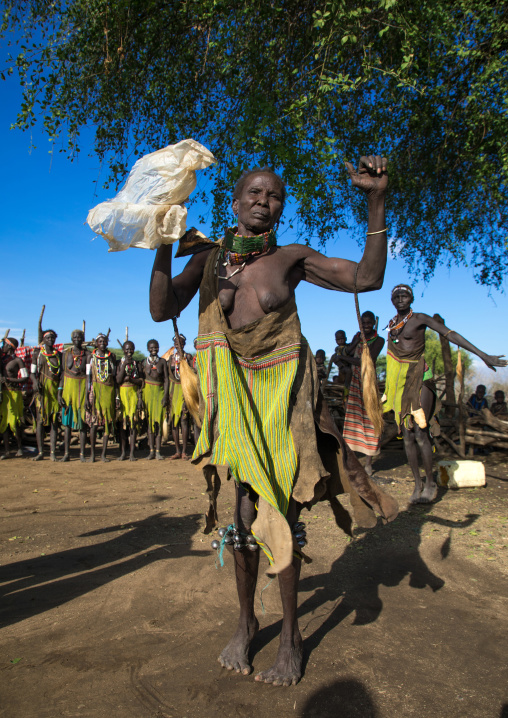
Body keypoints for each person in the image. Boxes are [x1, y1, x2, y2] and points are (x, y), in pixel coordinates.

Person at [150, 155, 398, 687]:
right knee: (241, 514)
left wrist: (375, 199)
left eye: (275, 196)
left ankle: (290, 638)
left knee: (279, 510)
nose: (265, 201)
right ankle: (245, 621)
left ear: (281, 207)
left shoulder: (291, 258)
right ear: (235, 203)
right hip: (232, 406)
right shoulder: (211, 259)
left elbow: (368, 278)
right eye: (255, 194)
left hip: (283, 402)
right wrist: (164, 242)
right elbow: (161, 307)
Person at [383, 284, 507, 504]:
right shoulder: (391, 325)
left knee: (421, 433)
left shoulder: (421, 318)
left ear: (411, 298)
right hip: (400, 385)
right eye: (397, 296)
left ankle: (430, 483)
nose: (401, 298)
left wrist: (483, 355)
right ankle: (417, 484)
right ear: (392, 301)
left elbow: (450, 334)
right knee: (407, 436)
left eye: (405, 295)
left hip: (420, 378)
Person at [341, 311, 385, 476]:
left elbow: (365, 361)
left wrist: (343, 357)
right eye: (363, 323)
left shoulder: (378, 340)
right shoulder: (357, 336)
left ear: (374, 323)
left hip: (368, 384)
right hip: (355, 383)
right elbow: (348, 352)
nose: (366, 326)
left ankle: (368, 463)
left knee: (370, 419)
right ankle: (351, 460)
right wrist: (356, 342)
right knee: (353, 419)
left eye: (369, 323)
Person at [58, 329, 91, 462]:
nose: (77, 338)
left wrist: (88, 394)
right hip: (68, 388)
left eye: (80, 337)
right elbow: (62, 374)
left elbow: (89, 376)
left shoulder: (88, 355)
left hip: (82, 387)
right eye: (75, 337)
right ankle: (67, 453)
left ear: (83, 339)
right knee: (67, 424)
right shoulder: (65, 354)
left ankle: (82, 454)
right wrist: (60, 392)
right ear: (72, 339)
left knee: (82, 423)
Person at [30, 329, 62, 461]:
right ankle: (41, 452)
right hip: (42, 391)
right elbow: (32, 373)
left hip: (54, 391)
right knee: (39, 421)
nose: (50, 339)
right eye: (48, 337)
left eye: (53, 337)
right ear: (43, 339)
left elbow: (61, 376)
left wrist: (60, 391)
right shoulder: (37, 354)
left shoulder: (59, 355)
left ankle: (53, 452)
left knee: (54, 421)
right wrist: (35, 382)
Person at [86, 333, 116, 462]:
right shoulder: (91, 357)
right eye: (100, 341)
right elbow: (88, 377)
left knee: (107, 424)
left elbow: (113, 376)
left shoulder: (111, 357)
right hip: (95, 390)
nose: (102, 343)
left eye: (104, 341)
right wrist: (88, 395)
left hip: (108, 391)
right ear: (96, 343)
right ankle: (92, 454)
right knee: (94, 424)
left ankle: (103, 454)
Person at [0, 337, 27, 459]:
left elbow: (25, 378)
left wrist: (9, 380)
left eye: (4, 344)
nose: (2, 346)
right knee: (4, 422)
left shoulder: (18, 361)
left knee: (15, 422)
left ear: (10, 346)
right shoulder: (2, 360)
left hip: (14, 394)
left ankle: (19, 448)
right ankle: (7, 451)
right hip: (4, 394)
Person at [116, 340, 143, 461]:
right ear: (123, 350)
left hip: (133, 394)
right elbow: (118, 380)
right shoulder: (119, 363)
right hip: (122, 395)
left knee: (132, 425)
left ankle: (132, 453)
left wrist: (131, 380)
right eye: (126, 349)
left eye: (131, 349)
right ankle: (123, 453)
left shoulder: (137, 364)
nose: (129, 351)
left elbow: (141, 381)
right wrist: (123, 366)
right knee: (123, 426)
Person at [167, 334, 193, 460]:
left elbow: (193, 375)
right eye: (176, 343)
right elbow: (168, 378)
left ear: (184, 344)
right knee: (174, 422)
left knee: (184, 420)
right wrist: (168, 395)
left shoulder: (188, 357)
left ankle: (184, 451)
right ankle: (177, 451)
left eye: (181, 342)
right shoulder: (171, 358)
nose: (178, 344)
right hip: (174, 391)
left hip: (184, 390)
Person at [142, 339, 168, 460]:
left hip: (159, 393)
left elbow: (166, 380)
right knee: (150, 424)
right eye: (151, 347)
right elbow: (141, 381)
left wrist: (165, 396)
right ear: (148, 348)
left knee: (158, 423)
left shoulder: (162, 362)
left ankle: (158, 451)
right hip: (147, 394)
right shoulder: (143, 363)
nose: (154, 349)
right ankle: (151, 450)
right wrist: (140, 397)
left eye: (156, 347)